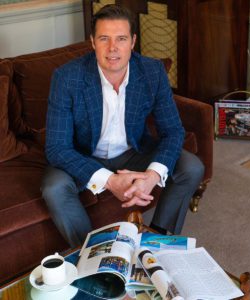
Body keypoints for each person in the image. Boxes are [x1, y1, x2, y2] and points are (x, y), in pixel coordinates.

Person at [42, 4, 204, 248]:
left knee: (191, 166)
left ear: (133, 41)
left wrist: (152, 175)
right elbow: (56, 148)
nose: (113, 48)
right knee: (53, 187)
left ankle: (155, 242)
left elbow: (173, 131)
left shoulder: (152, 71)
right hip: (84, 156)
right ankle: (95, 256)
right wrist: (108, 180)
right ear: (93, 42)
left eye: (121, 39)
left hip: (133, 154)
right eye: (104, 38)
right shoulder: (67, 77)